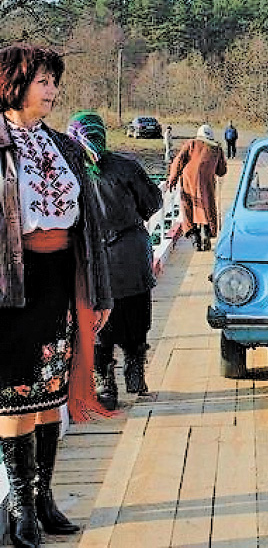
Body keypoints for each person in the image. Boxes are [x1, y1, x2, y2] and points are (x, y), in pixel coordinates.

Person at [0, 43, 113, 547]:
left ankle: (45, 498)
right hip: (12, 287)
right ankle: (21, 508)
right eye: (43, 81)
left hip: (63, 280)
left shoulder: (64, 146)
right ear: (15, 83)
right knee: (14, 398)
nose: (52, 90)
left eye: (53, 82)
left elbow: (90, 226)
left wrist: (99, 291)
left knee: (50, 396)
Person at [67, 111, 162, 408]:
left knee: (97, 321)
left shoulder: (68, 172)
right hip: (130, 253)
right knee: (135, 314)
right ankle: (135, 368)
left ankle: (105, 384)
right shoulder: (126, 167)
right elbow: (152, 203)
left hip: (90, 258)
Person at [166, 124, 227, 251]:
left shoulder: (191, 144)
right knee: (207, 206)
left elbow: (179, 161)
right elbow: (222, 171)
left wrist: (172, 178)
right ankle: (206, 232)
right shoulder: (216, 148)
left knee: (188, 206)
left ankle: (195, 238)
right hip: (207, 181)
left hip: (188, 179)